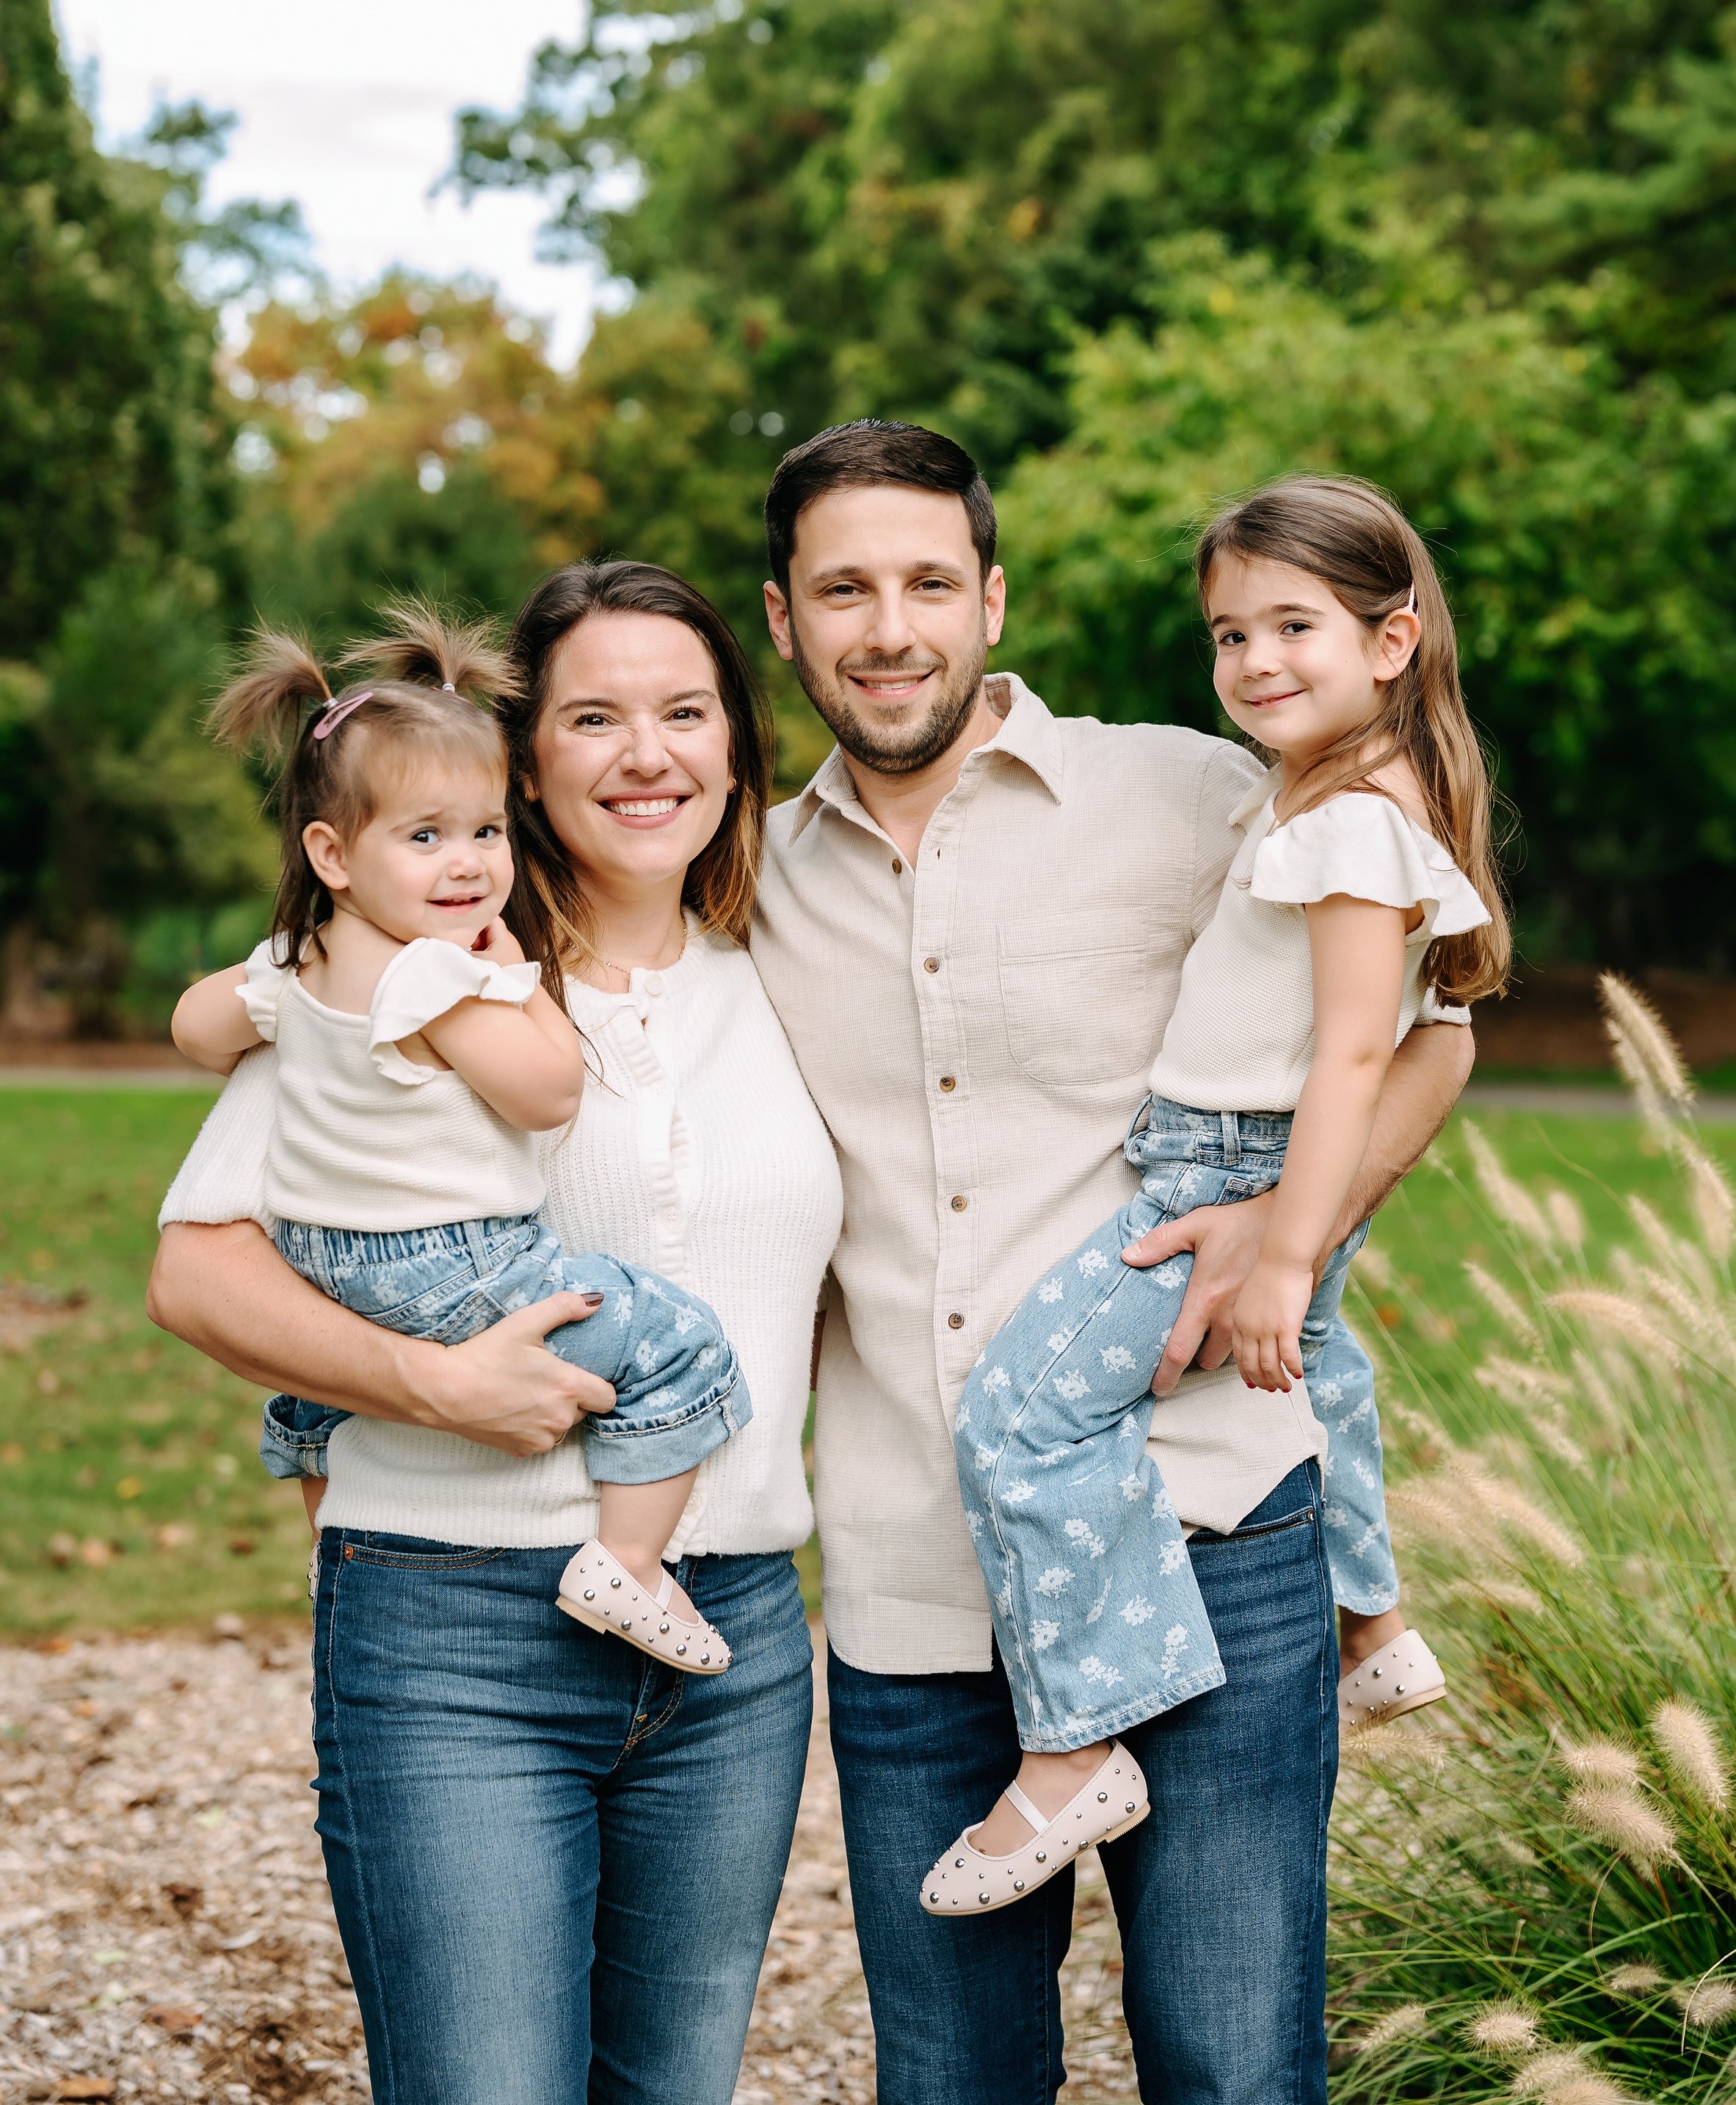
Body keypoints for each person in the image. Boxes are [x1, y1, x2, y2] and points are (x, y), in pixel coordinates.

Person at [748, 419, 1475, 2105]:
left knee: (1228, 2069)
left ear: (991, 600)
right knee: (951, 2080)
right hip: (917, 1573)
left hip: (1210, 1524)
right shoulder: (741, 876)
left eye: (929, 582)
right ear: (783, 622)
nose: (888, 627)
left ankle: (1354, 1622)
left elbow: (1423, 1043)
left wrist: (1279, 1234)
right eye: (841, 590)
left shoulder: (1206, 791)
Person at [148, 560, 843, 2105]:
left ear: (738, 744)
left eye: (684, 711)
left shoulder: (791, 975)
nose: (643, 753)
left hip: (728, 1645)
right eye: (592, 717)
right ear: (526, 765)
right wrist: (433, 1385)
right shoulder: (400, 982)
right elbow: (197, 1274)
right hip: (460, 1636)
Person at [928, 476, 1506, 1914]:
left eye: (1291, 626)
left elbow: (1360, 1050)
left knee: (1022, 1416)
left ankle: (1078, 1746)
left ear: (1389, 640)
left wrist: (1284, 1251)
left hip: (1228, 1173)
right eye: (1227, 633)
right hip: (1233, 1156)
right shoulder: (1334, 797)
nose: (1252, 661)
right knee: (1325, 1379)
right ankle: (1369, 1626)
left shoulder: (1349, 827)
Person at [170, 604, 750, 1674]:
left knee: (312, 1397)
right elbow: (547, 1092)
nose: (471, 864)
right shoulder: (440, 971)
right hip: (447, 1254)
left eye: (484, 833)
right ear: (333, 852)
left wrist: (282, 986)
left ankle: (325, 1542)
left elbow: (195, 1025)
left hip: (327, 1254)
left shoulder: (301, 960)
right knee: (677, 1339)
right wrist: (516, 978)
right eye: (427, 837)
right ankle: (627, 1561)